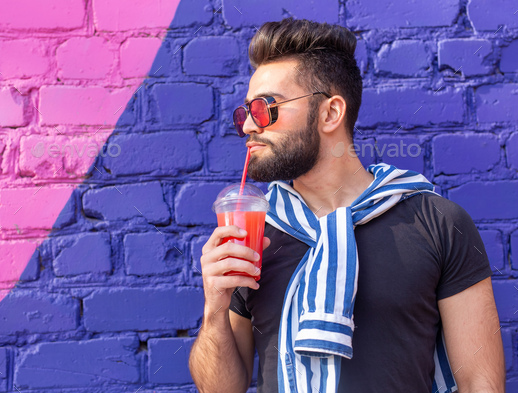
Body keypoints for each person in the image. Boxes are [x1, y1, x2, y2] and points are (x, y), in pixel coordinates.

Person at [188, 18, 505, 393]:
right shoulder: (255, 234)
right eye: (245, 113)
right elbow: (220, 389)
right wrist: (214, 306)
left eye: (264, 108)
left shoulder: (437, 223)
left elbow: (480, 383)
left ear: (330, 113)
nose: (247, 127)